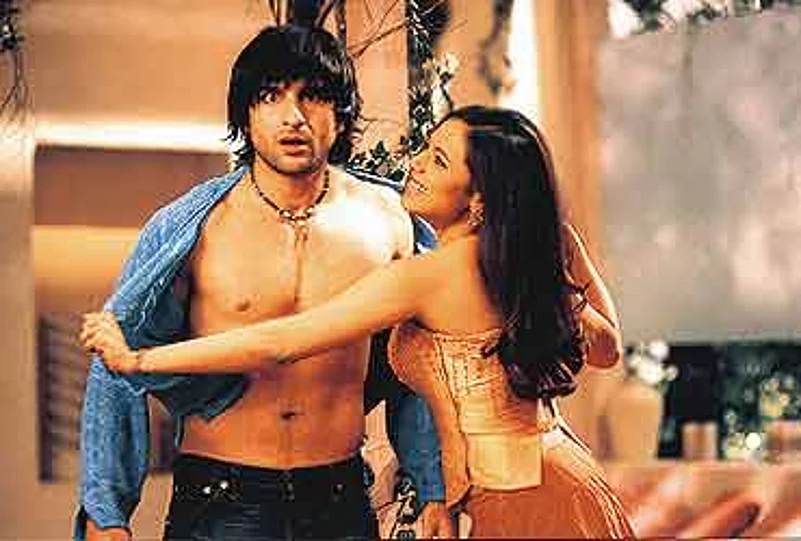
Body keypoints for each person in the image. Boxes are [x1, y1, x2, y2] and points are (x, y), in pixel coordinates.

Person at [82, 105, 635, 538]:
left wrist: (139, 359)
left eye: (439, 161)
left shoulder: (425, 277)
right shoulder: (519, 261)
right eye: (425, 148)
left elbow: (280, 341)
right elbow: (608, 348)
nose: (416, 164)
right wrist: (561, 255)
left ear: (479, 199)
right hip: (542, 480)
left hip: (530, 499)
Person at [75, 24, 451, 541]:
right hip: (222, 499)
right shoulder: (194, 227)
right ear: (246, 116)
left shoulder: (388, 220)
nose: (294, 116)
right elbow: (119, 355)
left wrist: (432, 487)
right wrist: (106, 513)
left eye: (313, 96)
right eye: (271, 96)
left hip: (340, 498)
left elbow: (417, 363)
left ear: (341, 115)